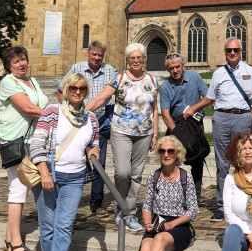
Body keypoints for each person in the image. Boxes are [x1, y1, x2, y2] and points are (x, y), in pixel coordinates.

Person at [30, 73, 100, 251]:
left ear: (86, 91)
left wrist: (94, 150)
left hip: (75, 178)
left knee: (64, 227)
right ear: (67, 90)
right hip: (48, 175)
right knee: (48, 229)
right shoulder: (52, 112)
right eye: (73, 88)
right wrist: (44, 173)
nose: (78, 92)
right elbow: (37, 144)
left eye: (82, 88)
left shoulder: (92, 118)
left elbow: (94, 142)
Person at [184, 37, 252, 222]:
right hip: (222, 118)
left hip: (243, 117)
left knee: (244, 161)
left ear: (241, 51)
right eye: (229, 50)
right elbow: (210, 97)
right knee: (222, 164)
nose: (232, 53)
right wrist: (193, 107)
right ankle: (222, 205)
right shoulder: (218, 73)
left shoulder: (250, 72)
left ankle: (244, 204)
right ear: (225, 52)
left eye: (235, 50)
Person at [87, 42, 159, 232]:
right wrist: (82, 112)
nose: (136, 61)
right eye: (132, 58)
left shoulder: (152, 79)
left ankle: (129, 212)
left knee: (136, 175)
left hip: (144, 133)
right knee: (123, 173)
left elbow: (155, 108)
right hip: (121, 131)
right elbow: (102, 98)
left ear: (144, 59)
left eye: (139, 57)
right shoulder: (119, 78)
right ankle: (121, 205)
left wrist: (155, 134)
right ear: (127, 60)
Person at [125, 136, 198, 251]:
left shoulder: (186, 177)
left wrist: (173, 224)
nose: (166, 154)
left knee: (158, 240)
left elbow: (193, 210)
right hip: (158, 223)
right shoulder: (154, 176)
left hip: (179, 225)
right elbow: (146, 206)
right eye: (163, 151)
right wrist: (148, 223)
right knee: (146, 243)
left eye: (170, 151)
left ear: (177, 153)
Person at [0, 45, 48, 251]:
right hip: (14, 141)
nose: (21, 64)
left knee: (19, 188)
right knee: (17, 189)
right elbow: (28, 108)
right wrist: (57, 116)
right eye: (16, 61)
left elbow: (41, 103)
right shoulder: (9, 82)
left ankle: (9, 239)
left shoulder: (33, 81)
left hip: (30, 141)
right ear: (9, 65)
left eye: (23, 59)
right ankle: (16, 244)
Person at [57, 40, 118, 216]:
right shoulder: (77, 68)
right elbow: (61, 88)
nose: (97, 58)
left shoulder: (111, 71)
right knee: (72, 161)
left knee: (98, 163)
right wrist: (66, 110)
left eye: (100, 55)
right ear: (88, 54)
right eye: (94, 54)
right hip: (75, 123)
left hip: (99, 123)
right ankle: (69, 200)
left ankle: (96, 202)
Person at [159, 53, 208, 200]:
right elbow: (165, 115)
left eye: (177, 66)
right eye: (171, 68)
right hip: (176, 125)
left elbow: (208, 97)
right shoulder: (165, 87)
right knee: (170, 159)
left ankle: (196, 196)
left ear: (183, 66)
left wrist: (194, 107)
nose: (175, 70)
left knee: (197, 160)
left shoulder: (195, 77)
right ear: (168, 70)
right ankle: (170, 193)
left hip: (194, 124)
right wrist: (177, 133)